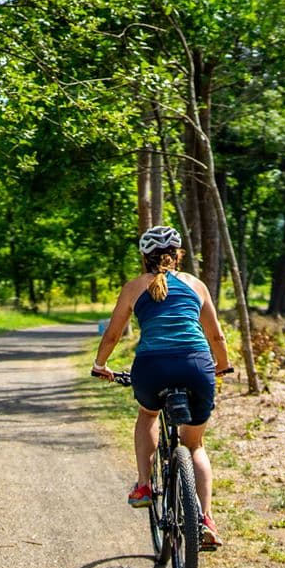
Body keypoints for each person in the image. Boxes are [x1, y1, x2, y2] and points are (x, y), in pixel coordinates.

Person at [90, 225, 230, 549]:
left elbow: (112, 335)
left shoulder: (134, 287)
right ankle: (205, 519)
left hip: (152, 367)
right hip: (197, 366)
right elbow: (217, 337)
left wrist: (101, 365)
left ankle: (143, 486)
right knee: (194, 445)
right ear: (179, 254)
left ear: (144, 257)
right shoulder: (196, 285)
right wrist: (221, 366)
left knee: (148, 414)